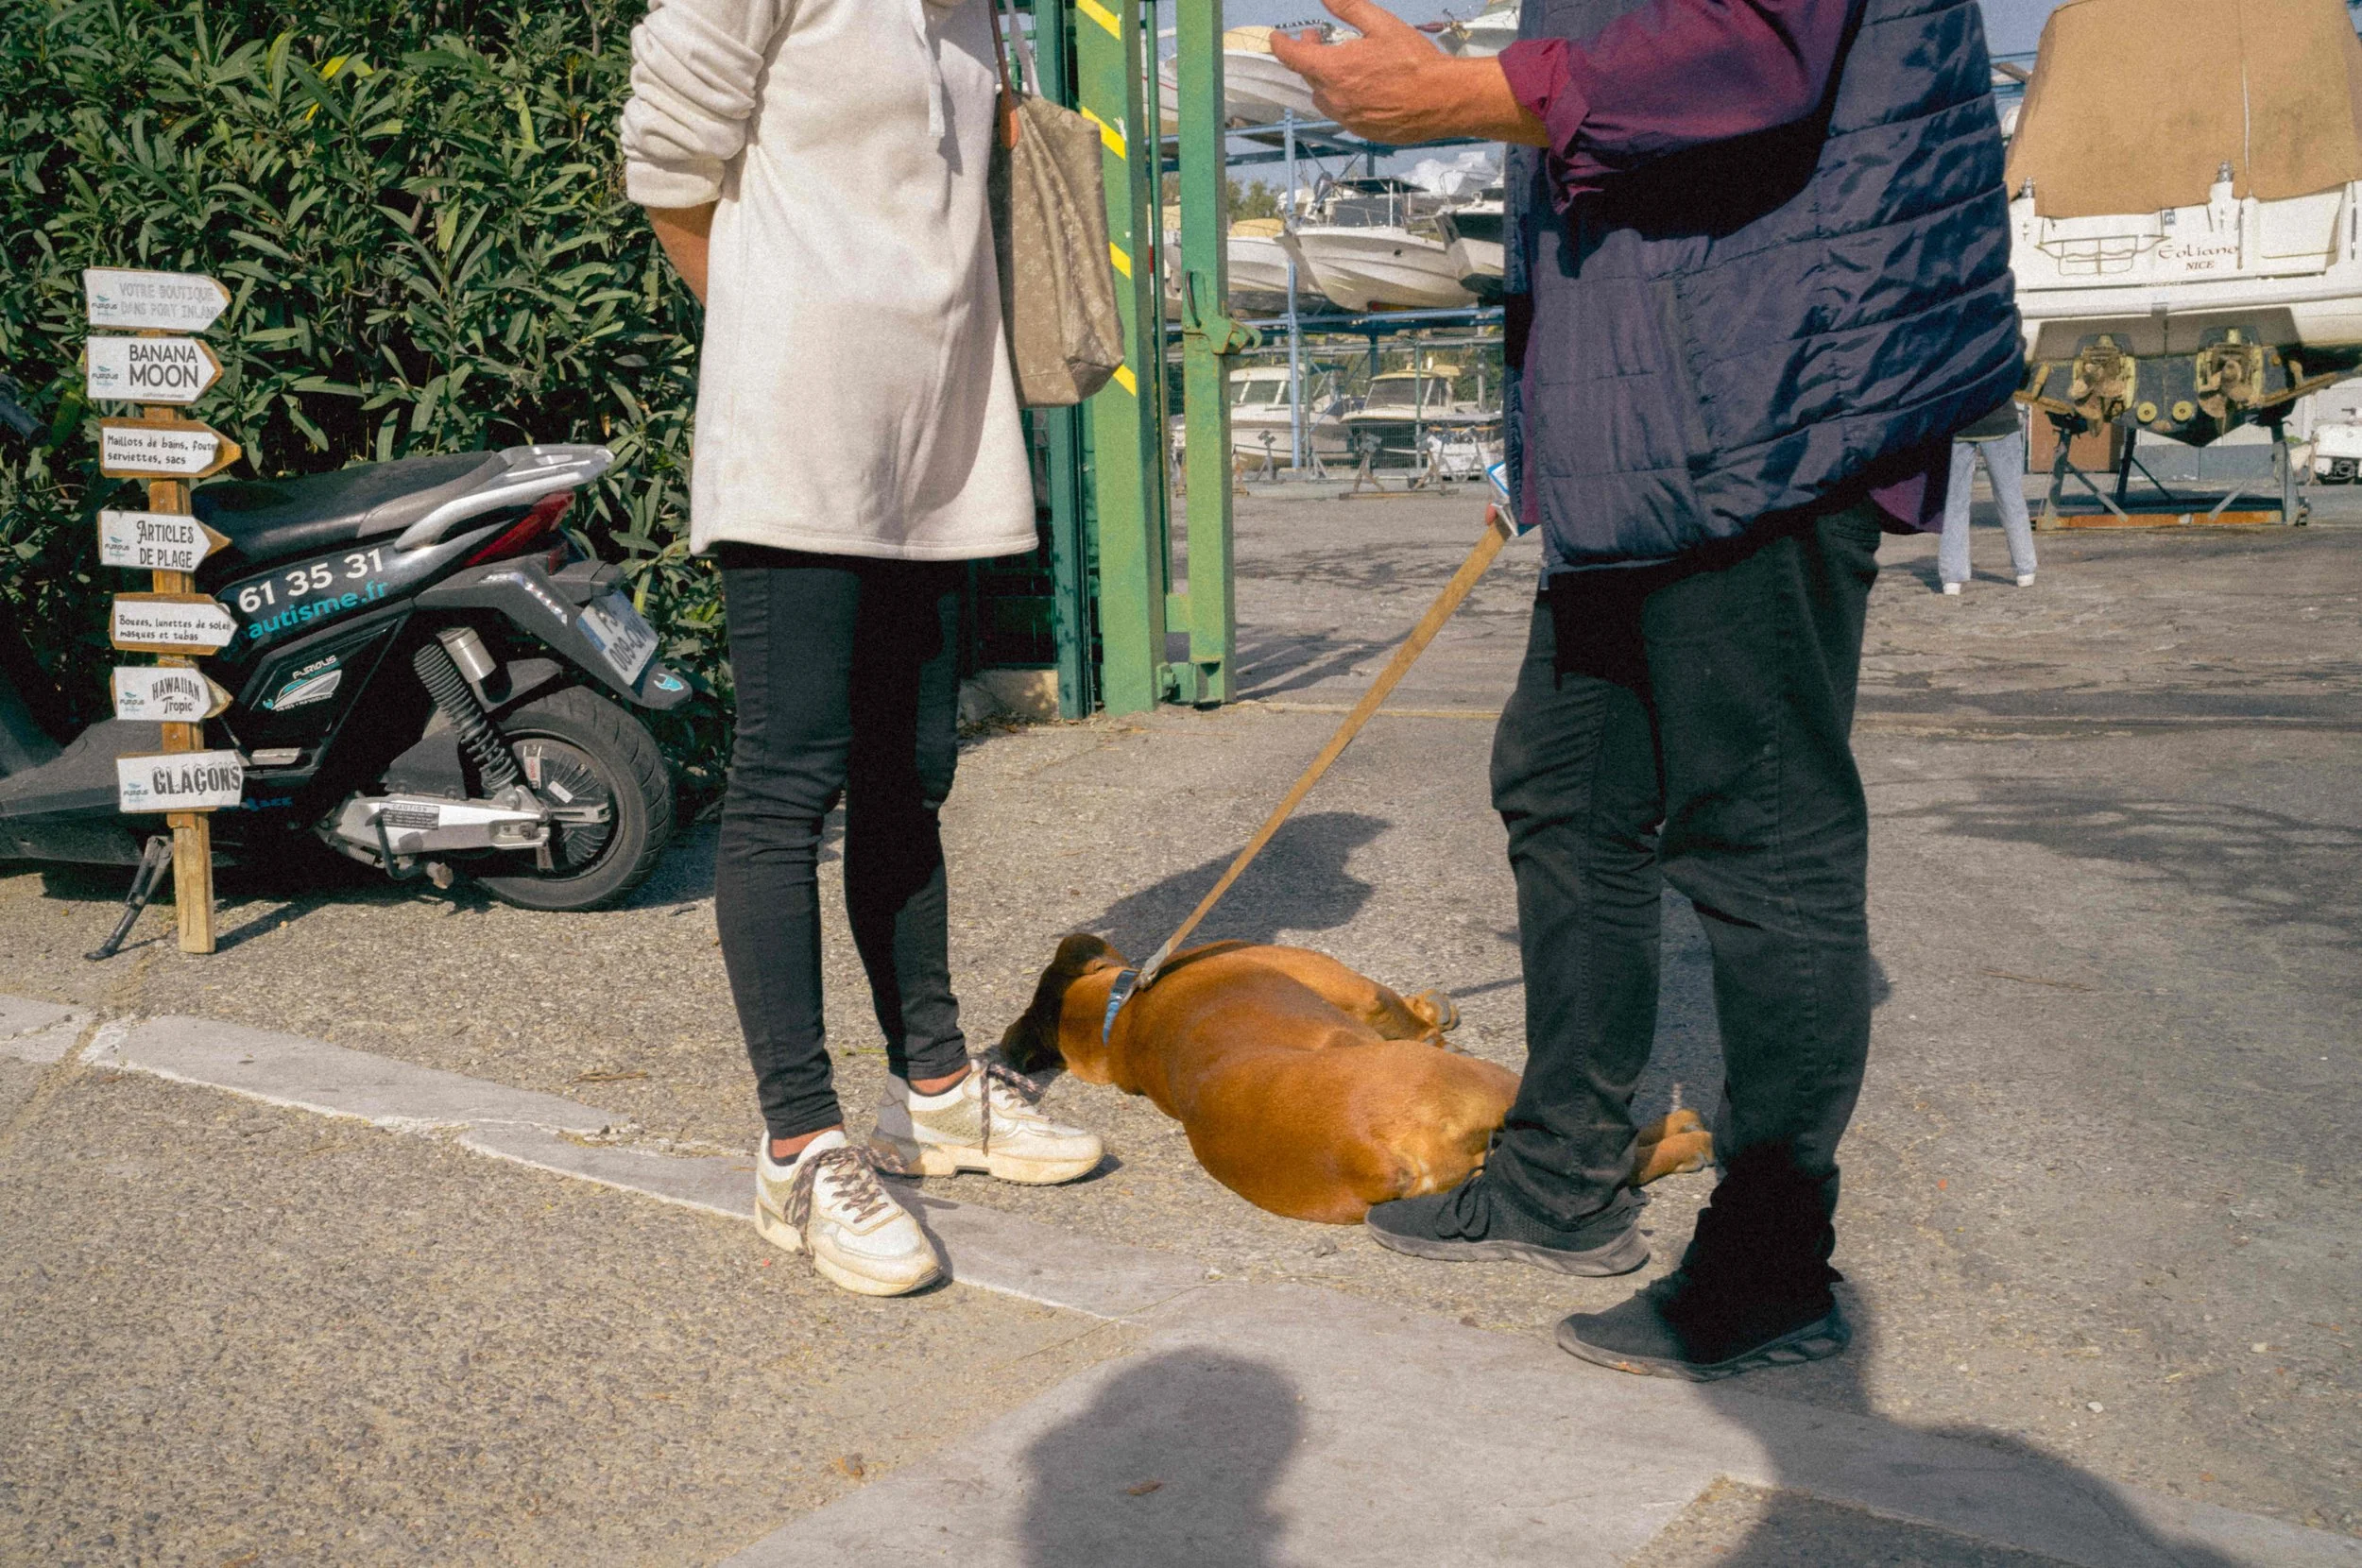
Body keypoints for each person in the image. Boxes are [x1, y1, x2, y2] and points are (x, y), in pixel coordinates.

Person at [1272, 0, 2021, 1378]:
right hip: (1653, 410)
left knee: (1760, 833)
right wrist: (1544, 438)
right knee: (1564, 784)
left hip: (1767, 396)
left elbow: (1751, 54)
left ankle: (1774, 1266)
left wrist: (1463, 94)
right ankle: (1562, 1173)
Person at [620, 0, 1102, 1299]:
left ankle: (933, 1092)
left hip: (940, 444)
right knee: (787, 782)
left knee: (913, 770)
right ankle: (798, 1146)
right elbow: (666, 171)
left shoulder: (973, 15)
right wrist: (785, 337)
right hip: (801, 434)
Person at [1940, 402, 2038, 593]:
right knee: (2010, 497)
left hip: (1956, 421)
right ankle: (2025, 569)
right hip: (1999, 420)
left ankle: (1952, 577)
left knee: (1954, 502)